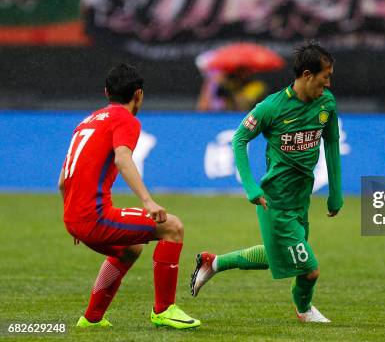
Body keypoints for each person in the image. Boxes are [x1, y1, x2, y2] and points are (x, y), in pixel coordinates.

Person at [190, 42, 343, 322]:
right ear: (307, 75)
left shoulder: (326, 104)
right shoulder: (271, 107)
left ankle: (214, 263)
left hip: (301, 200)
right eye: (325, 76)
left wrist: (336, 192)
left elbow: (332, 142)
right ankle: (304, 309)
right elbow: (239, 139)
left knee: (278, 256)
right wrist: (251, 186)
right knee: (309, 270)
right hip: (275, 201)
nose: (329, 83)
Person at [58, 64, 200, 329]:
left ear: (106, 92)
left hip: (74, 218)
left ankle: (91, 319)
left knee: (129, 249)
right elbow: (123, 158)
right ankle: (164, 310)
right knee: (173, 227)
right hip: (93, 217)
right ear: (139, 95)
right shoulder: (125, 119)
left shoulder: (86, 122)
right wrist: (148, 201)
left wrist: (74, 217)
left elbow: (62, 180)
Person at [195, 51, 267, 111]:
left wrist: (227, 88)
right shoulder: (227, 83)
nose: (240, 73)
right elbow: (203, 107)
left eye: (243, 70)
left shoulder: (257, 86)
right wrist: (210, 83)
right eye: (238, 70)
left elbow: (242, 106)